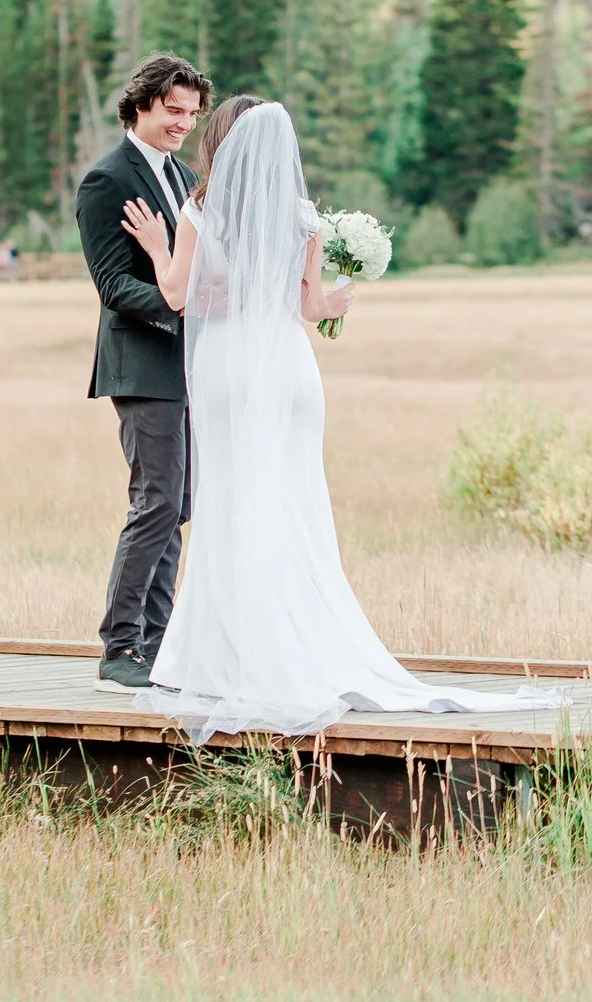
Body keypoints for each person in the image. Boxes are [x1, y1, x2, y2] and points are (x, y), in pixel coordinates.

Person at [116, 96, 565, 740]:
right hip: (292, 376)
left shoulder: (198, 210)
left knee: (233, 502)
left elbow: (182, 297)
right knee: (294, 502)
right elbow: (309, 305)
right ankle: (304, 643)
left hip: (227, 374)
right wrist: (340, 301)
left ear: (221, 144)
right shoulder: (300, 217)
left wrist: (159, 250)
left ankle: (231, 653)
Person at [74, 53, 215, 693]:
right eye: (172, 111)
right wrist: (180, 306)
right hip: (141, 362)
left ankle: (157, 647)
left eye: (191, 113)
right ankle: (119, 644)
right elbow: (113, 284)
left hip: (188, 364)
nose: (183, 123)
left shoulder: (184, 177)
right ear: (140, 107)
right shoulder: (106, 181)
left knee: (180, 502)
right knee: (156, 499)